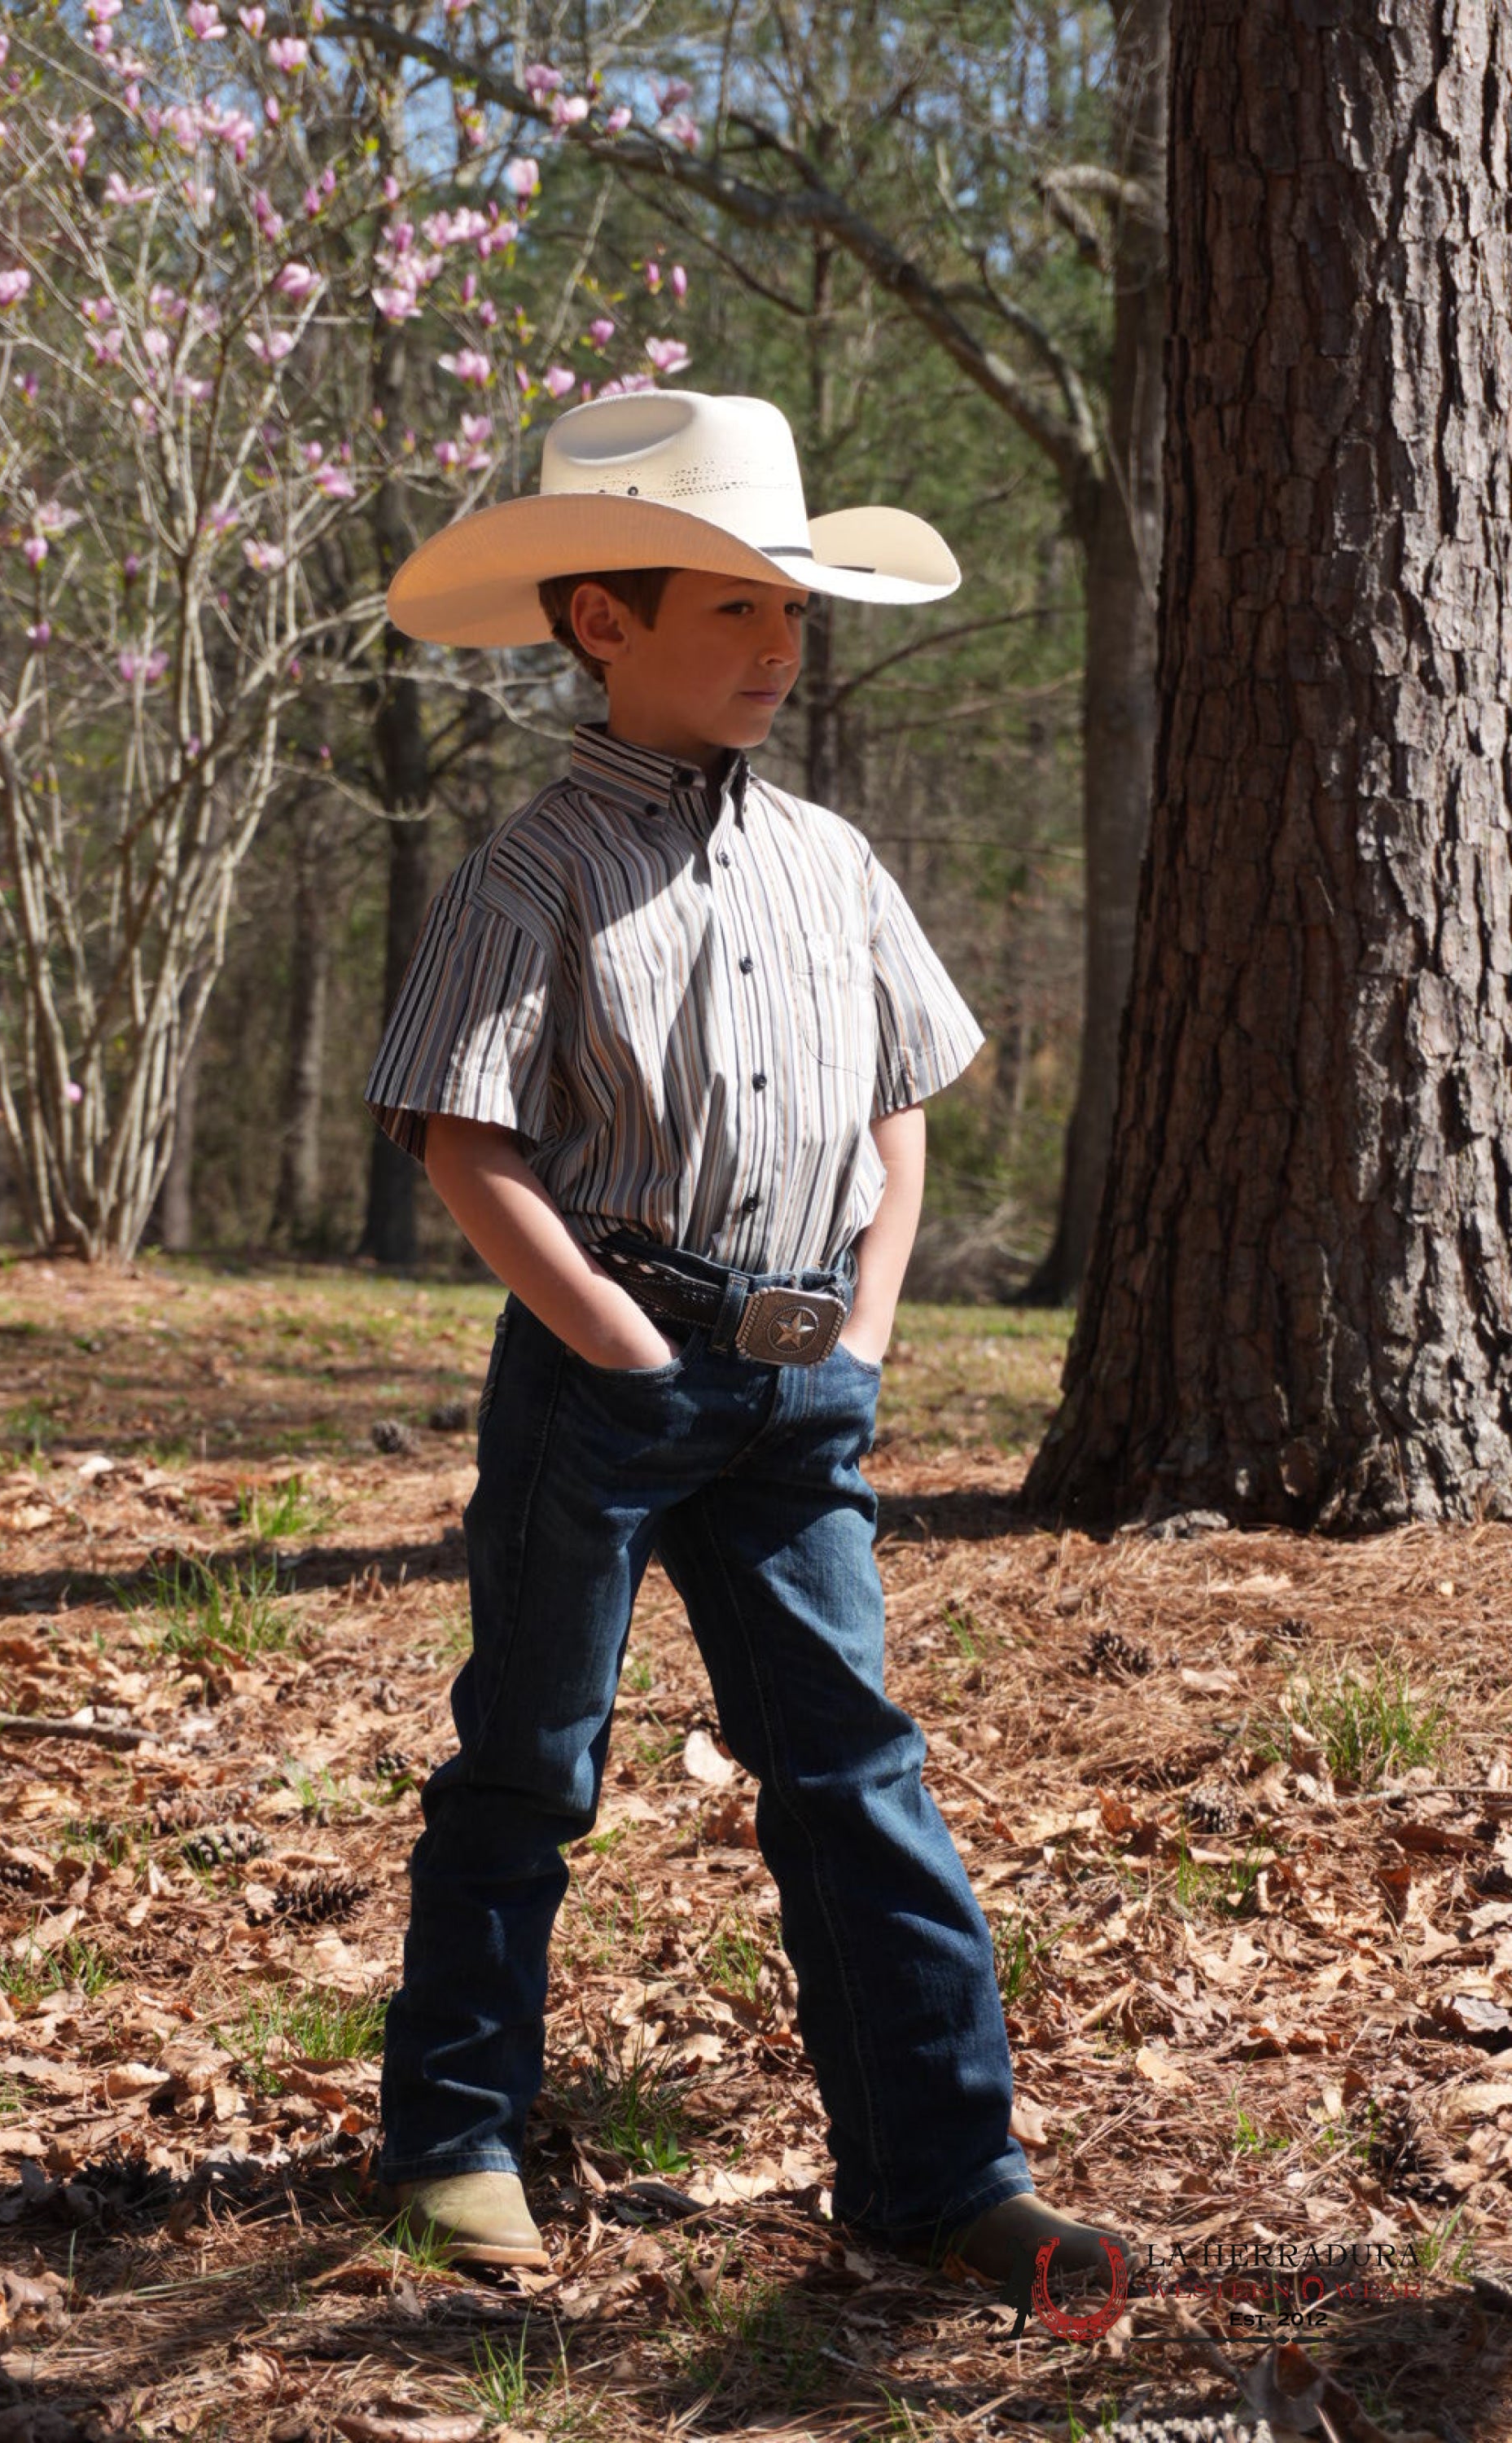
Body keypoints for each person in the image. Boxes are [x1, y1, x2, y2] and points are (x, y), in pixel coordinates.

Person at [363, 390, 1129, 2292]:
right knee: (529, 1760)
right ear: (599, 622)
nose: (780, 645)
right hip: (605, 1378)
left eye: (792, 610)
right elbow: (461, 1137)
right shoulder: (534, 869)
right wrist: (618, 1344)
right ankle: (454, 2137)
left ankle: (942, 2175)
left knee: (852, 1764)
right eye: (733, 608)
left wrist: (866, 1321)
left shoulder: (831, 858)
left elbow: (896, 1102)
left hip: (802, 1386)